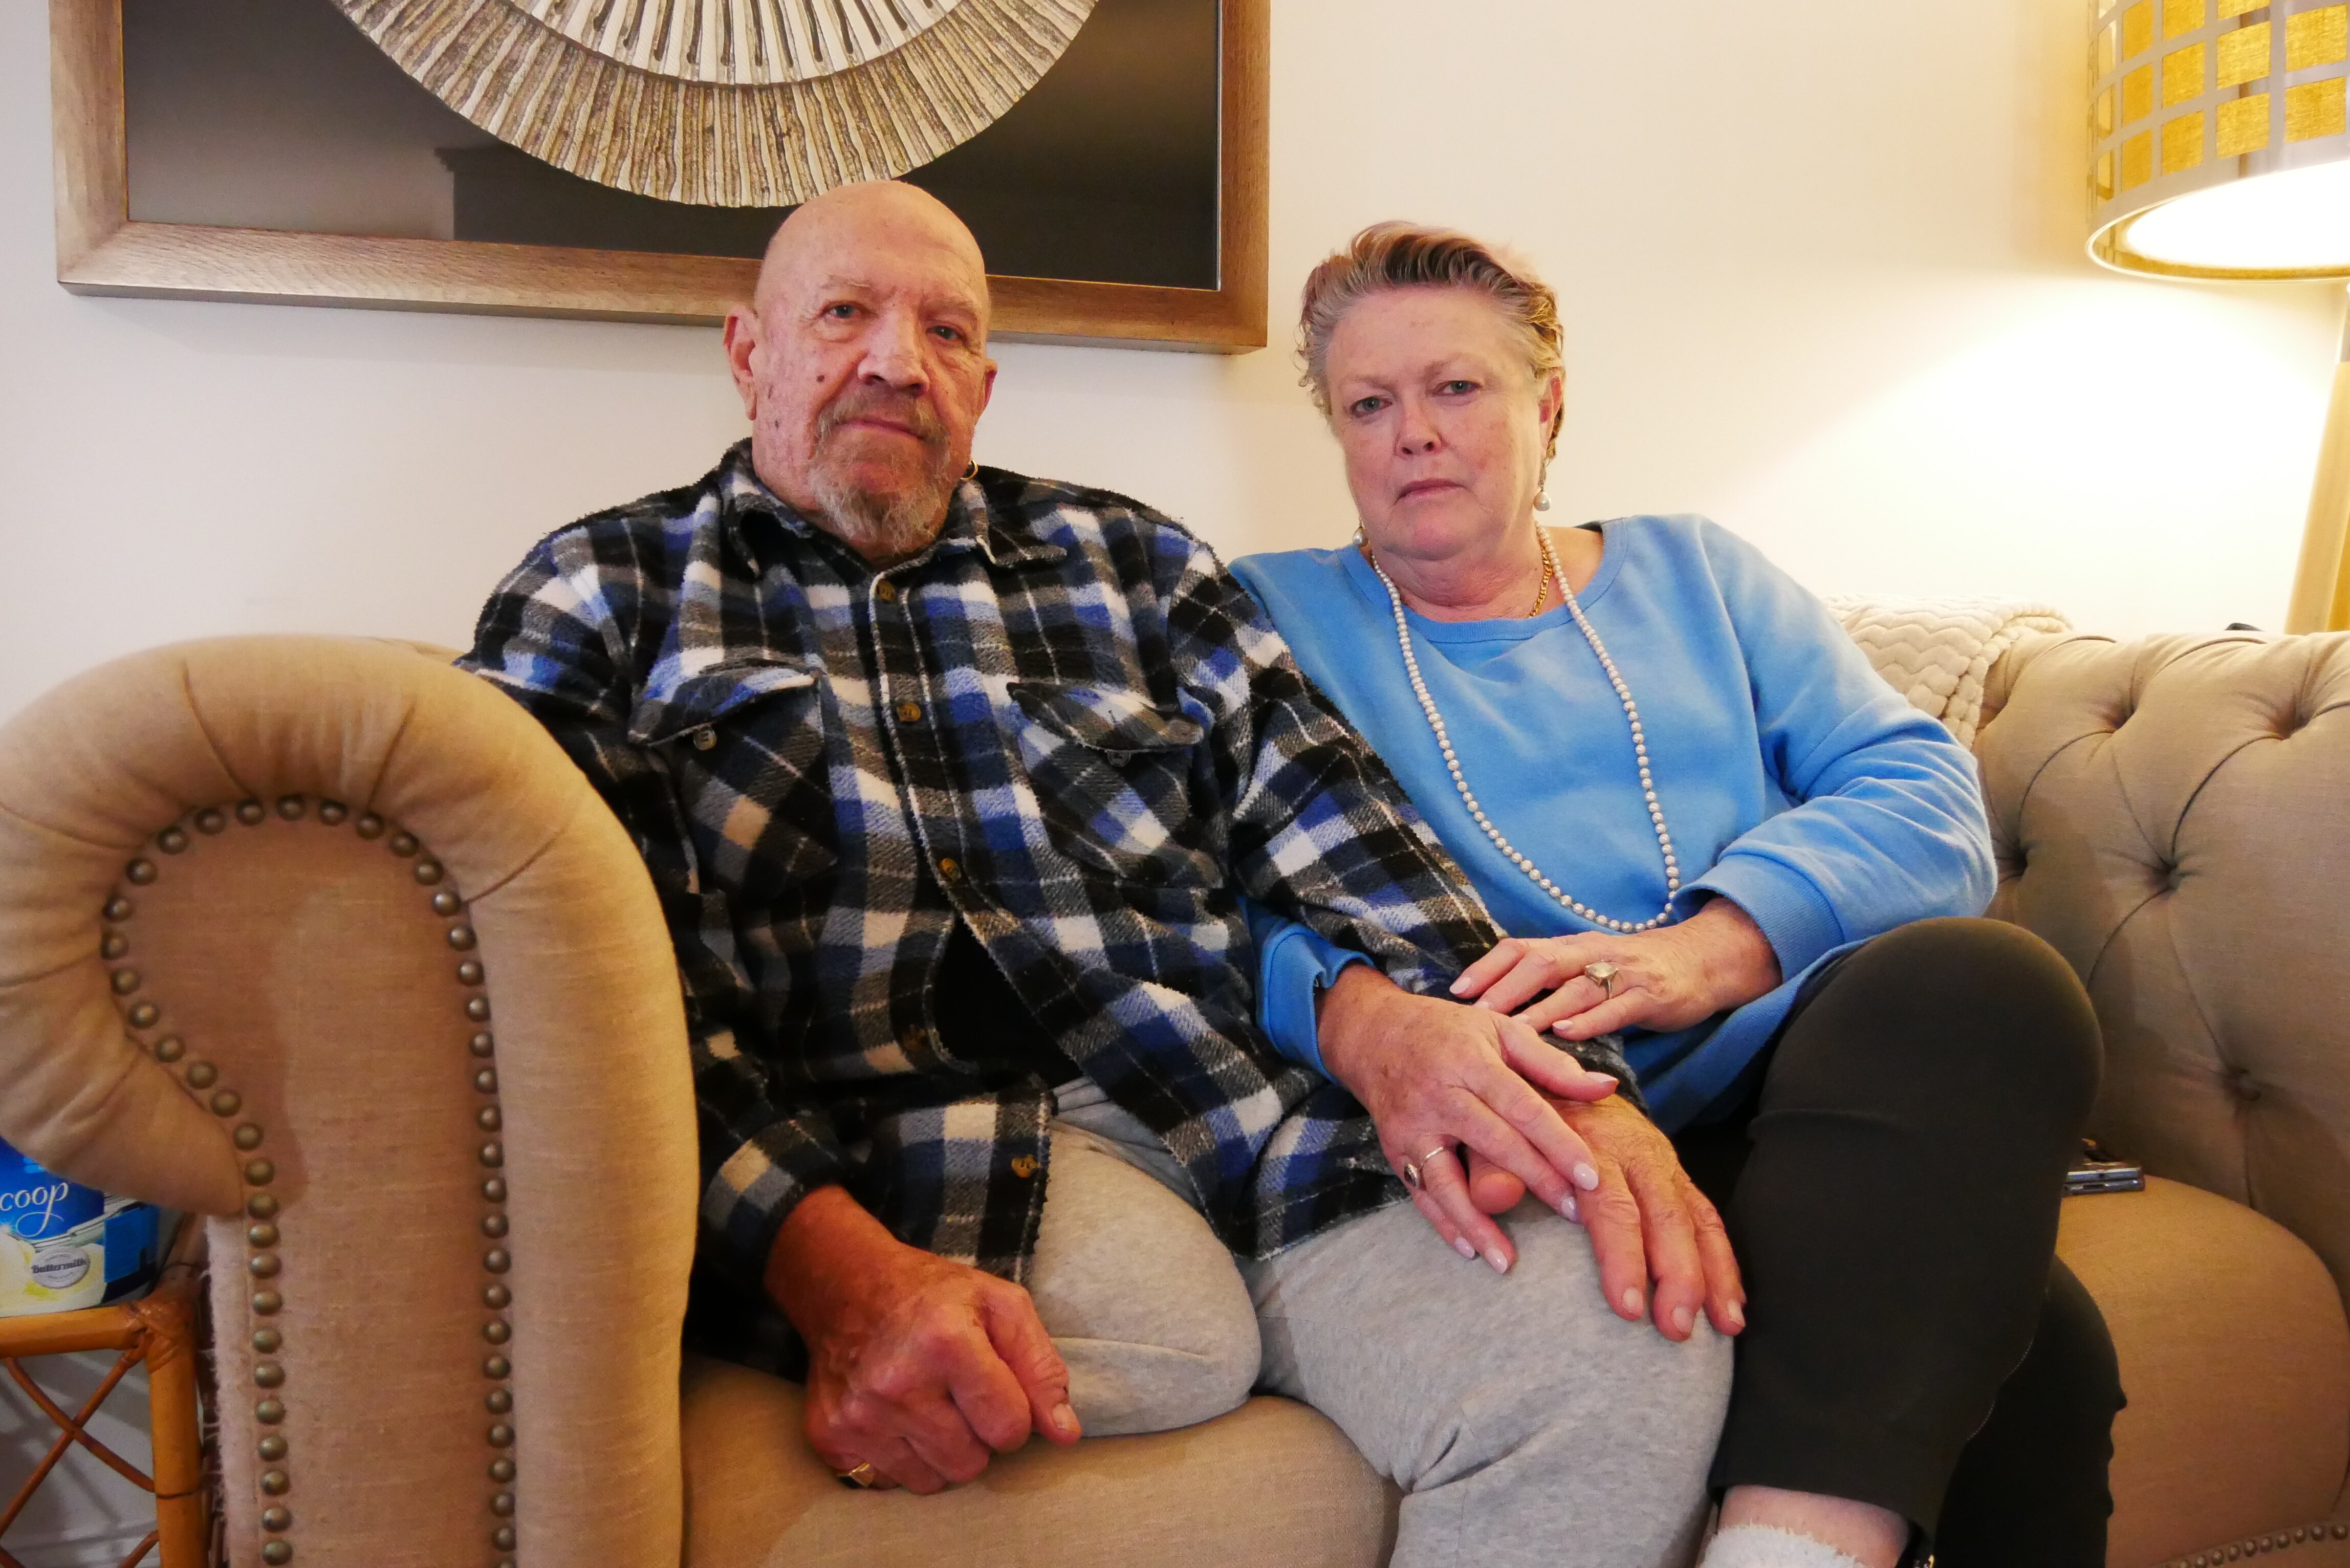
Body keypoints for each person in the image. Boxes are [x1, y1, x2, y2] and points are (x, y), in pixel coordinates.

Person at [460, 182, 1730, 1567]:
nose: (896, 359)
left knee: (1624, 1315)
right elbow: (574, 998)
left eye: (945, 331)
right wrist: (822, 1264)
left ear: (984, 386)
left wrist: (1534, 1082)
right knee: (1174, 1336)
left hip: (1257, 1117)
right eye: (844, 315)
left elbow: (1344, 830)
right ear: (747, 351)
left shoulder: (1135, 564)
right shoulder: (607, 596)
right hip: (911, 1156)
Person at [1229, 224, 2121, 1568]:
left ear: (1551, 403)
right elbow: (1207, 901)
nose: (1413, 431)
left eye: (1457, 388)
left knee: (1989, 984)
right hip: (1540, 1113)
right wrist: (1364, 1019)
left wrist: (1707, 952)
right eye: (1369, 404)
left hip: (1808, 1087)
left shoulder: (1696, 574)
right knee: (2044, 1342)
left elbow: (1926, 798)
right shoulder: (1267, 618)